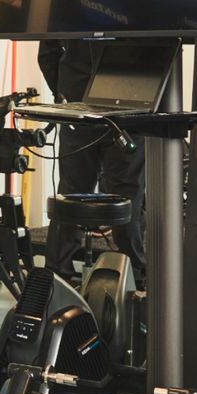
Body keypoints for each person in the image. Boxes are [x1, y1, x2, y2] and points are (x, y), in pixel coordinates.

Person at [38, 40, 147, 288]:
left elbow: (47, 53)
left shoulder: (68, 5)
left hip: (79, 108)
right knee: (128, 195)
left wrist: (66, 93)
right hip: (128, 106)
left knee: (71, 193)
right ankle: (136, 279)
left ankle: (56, 276)